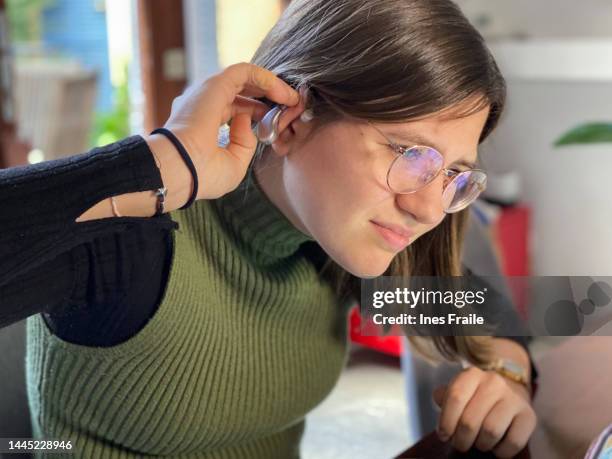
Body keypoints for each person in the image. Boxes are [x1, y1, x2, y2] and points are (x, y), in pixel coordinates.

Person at [0, 0, 538, 457]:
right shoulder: (136, 235)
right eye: (408, 152)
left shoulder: (337, 243)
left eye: (453, 172)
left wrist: (509, 374)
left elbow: (511, 313)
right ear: (291, 121)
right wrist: (154, 163)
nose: (427, 208)